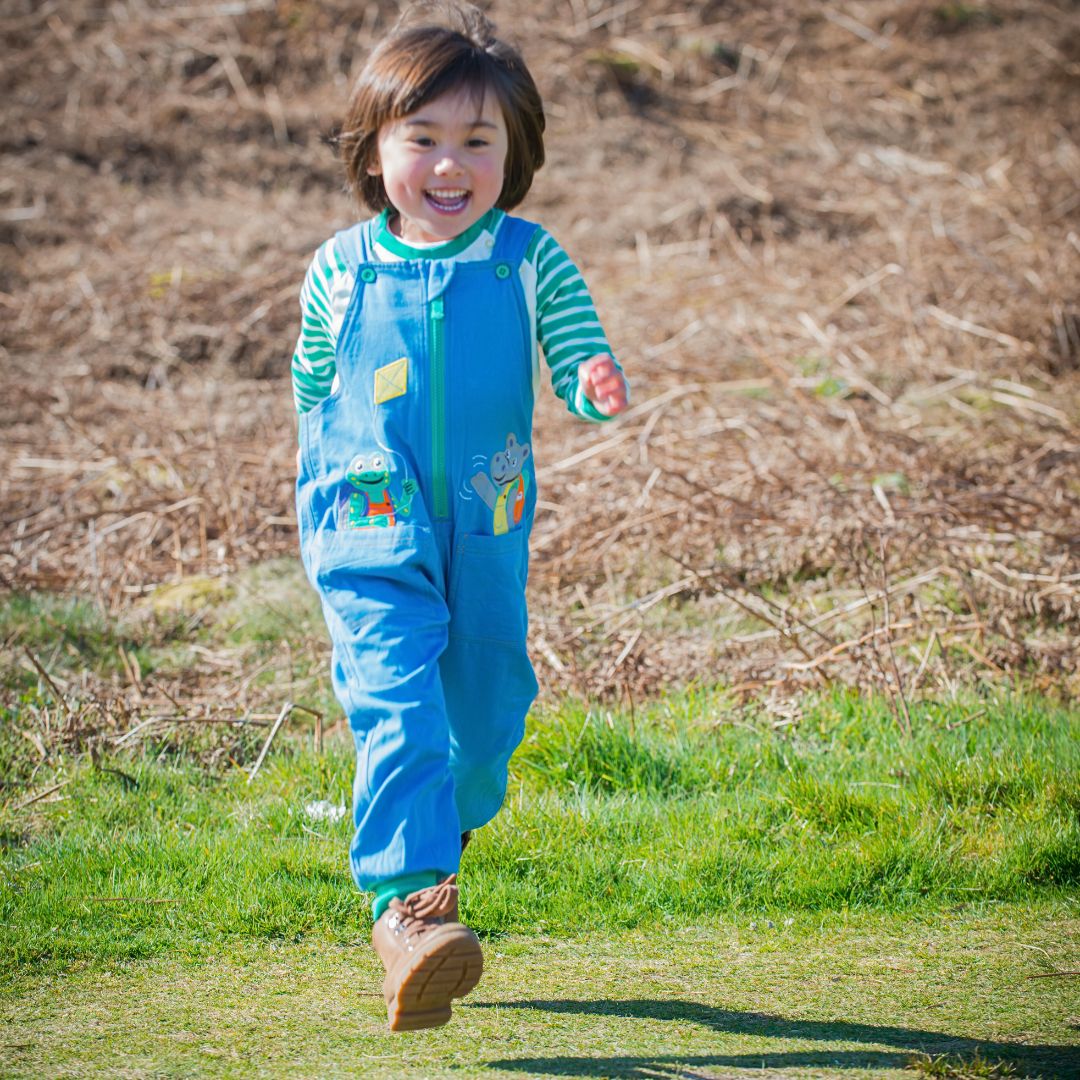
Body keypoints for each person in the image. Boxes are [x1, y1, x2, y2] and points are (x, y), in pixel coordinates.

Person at [291, 1, 628, 1032]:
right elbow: (313, 382)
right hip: (368, 518)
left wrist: (592, 376)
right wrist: (327, 479)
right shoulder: (343, 267)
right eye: (422, 138)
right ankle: (410, 907)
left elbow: (573, 344)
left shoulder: (526, 258)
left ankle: (447, 825)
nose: (449, 163)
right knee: (399, 703)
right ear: (376, 148)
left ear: (511, 151)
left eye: (476, 141)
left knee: (482, 719)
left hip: (487, 520)